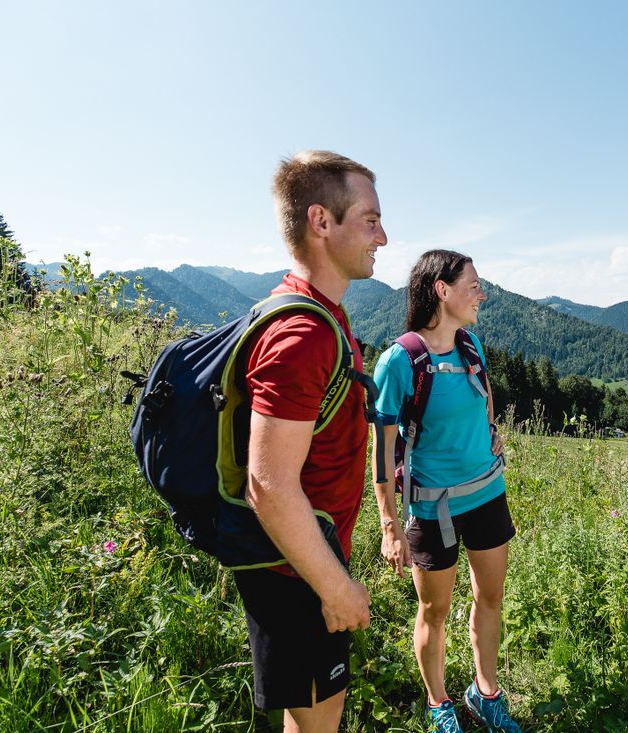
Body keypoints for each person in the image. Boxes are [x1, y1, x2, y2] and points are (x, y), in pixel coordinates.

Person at [236, 150, 387, 733]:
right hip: (296, 571)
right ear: (321, 221)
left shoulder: (320, 312)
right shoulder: (302, 334)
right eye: (370, 220)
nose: (382, 236)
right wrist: (336, 588)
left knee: (312, 716)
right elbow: (268, 485)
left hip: (302, 559)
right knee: (320, 721)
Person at [372, 250, 522, 733]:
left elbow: (485, 394)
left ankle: (485, 693)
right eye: (473, 285)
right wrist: (389, 525)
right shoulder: (399, 362)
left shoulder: (470, 345)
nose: (482, 294)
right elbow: (382, 451)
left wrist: (491, 429)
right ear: (442, 290)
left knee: (490, 597)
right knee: (434, 611)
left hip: (487, 493)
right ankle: (439, 705)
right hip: (431, 507)